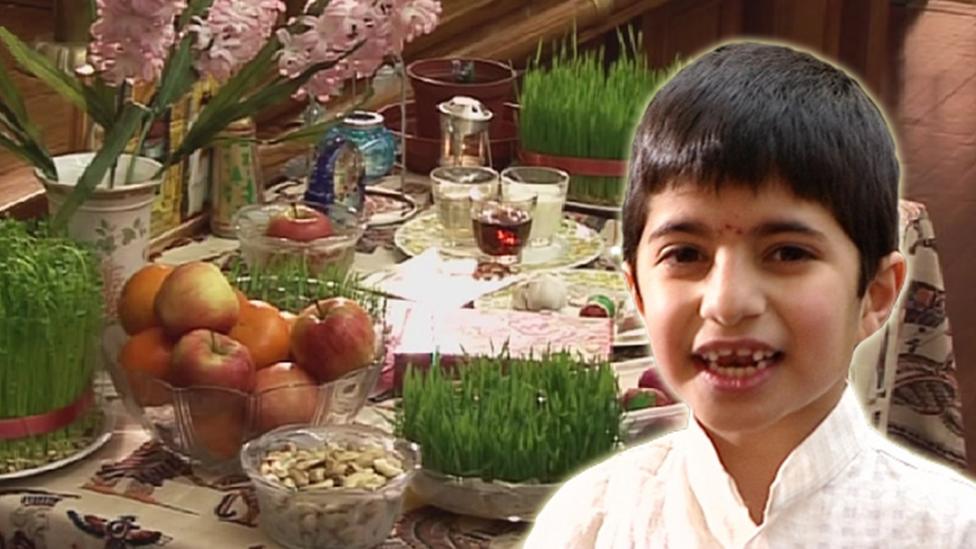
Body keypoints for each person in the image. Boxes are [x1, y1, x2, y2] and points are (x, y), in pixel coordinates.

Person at [523, 40, 976, 548]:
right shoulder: (594, 522)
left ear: (873, 293)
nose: (727, 302)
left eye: (787, 254)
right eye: (685, 254)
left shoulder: (949, 532)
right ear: (639, 294)